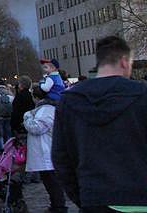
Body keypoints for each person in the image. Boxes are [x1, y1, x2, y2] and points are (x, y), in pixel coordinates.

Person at [52, 36, 147, 210]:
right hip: (139, 196)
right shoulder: (142, 95)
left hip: (94, 197)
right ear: (125, 62)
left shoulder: (69, 101)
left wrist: (83, 197)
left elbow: (61, 158)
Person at [23, 86, 67, 213]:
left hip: (46, 152)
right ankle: (56, 205)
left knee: (52, 182)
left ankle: (59, 207)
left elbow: (36, 127)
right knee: (51, 182)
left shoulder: (45, 110)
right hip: (47, 151)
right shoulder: (51, 109)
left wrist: (27, 117)